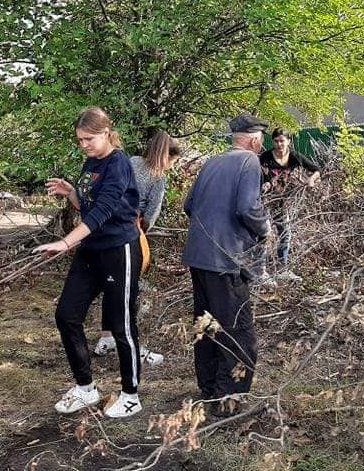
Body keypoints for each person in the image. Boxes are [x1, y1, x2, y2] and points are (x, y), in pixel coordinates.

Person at [35, 107, 144, 419]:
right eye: (80, 140)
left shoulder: (118, 163)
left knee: (121, 324)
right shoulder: (91, 161)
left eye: (89, 139)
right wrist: (72, 192)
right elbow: (88, 206)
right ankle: (85, 388)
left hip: (119, 249)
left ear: (106, 133)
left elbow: (103, 212)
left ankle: (131, 394)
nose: (83, 145)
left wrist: (65, 242)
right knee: (66, 315)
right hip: (92, 249)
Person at [182, 114, 273, 417]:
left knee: (207, 324)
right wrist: (265, 229)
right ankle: (229, 399)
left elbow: (188, 205)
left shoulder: (212, 162)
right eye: (262, 141)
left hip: (199, 257)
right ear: (255, 140)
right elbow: (248, 208)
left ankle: (209, 388)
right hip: (226, 259)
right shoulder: (250, 162)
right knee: (237, 330)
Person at [94, 130, 181, 365]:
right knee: (128, 288)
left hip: (106, 227)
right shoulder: (158, 177)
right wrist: (143, 229)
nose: (172, 166)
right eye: (174, 161)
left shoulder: (131, 161)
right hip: (130, 231)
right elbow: (152, 212)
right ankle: (132, 346)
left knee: (111, 282)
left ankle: (106, 337)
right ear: (167, 157)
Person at [257, 128, 321, 283]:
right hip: (264, 200)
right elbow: (254, 174)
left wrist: (311, 179)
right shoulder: (265, 158)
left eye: (282, 141)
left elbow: (316, 170)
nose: (279, 144)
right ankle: (260, 271)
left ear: (288, 141)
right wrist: (264, 184)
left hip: (281, 201)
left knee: (285, 233)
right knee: (264, 233)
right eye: (276, 141)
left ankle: (282, 268)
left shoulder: (294, 156)